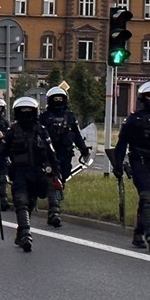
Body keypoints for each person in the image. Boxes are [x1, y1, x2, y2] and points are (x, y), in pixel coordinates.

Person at [0, 97, 60, 252]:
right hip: (19, 172)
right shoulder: (12, 132)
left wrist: (56, 173)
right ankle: (26, 233)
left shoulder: (41, 131)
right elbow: (2, 155)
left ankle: (21, 231)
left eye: (28, 110)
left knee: (31, 201)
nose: (26, 113)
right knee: (21, 201)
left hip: (38, 173)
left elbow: (51, 153)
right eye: (22, 110)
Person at [113, 81, 150, 252]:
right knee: (146, 196)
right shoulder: (134, 119)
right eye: (149, 96)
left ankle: (138, 233)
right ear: (143, 98)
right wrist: (117, 165)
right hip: (140, 162)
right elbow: (122, 144)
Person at [38, 86, 90, 228]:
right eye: (56, 99)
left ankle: (54, 208)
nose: (58, 101)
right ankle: (54, 211)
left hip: (65, 153)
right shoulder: (43, 117)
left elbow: (77, 134)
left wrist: (84, 149)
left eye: (61, 99)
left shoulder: (70, 116)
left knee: (62, 178)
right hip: (49, 154)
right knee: (52, 179)